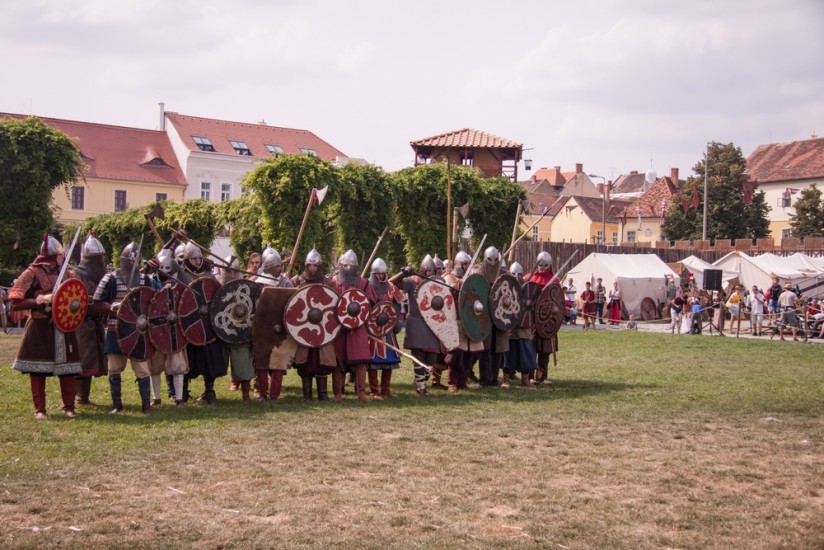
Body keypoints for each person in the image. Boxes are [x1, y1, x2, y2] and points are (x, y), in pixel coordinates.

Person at [9, 234, 82, 419]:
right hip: (40, 326)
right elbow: (15, 302)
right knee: (37, 370)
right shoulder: (32, 273)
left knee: (68, 369)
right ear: (52, 256)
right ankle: (40, 410)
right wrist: (38, 300)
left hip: (64, 326)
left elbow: (77, 296)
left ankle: (69, 407)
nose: (62, 258)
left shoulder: (67, 273)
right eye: (60, 255)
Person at [94, 241, 154, 414]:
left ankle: (146, 405)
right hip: (116, 328)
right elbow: (97, 302)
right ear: (125, 260)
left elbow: (154, 301)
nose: (133, 263)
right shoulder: (111, 278)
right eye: (130, 260)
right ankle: (117, 404)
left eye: (136, 260)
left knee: (142, 368)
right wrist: (111, 307)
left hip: (139, 331)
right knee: (114, 368)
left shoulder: (145, 280)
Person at [177, 242, 228, 404]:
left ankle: (209, 391)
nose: (197, 261)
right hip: (189, 324)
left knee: (210, 359)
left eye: (199, 258)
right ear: (187, 259)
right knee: (188, 360)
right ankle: (183, 391)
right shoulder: (181, 275)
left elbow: (218, 296)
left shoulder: (209, 275)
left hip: (208, 325)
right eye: (194, 259)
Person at [389, 255, 441, 396]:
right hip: (416, 323)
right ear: (422, 270)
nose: (429, 273)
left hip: (432, 324)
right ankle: (421, 387)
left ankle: (421, 381)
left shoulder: (438, 284)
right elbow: (389, 284)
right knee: (419, 357)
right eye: (427, 270)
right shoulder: (413, 282)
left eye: (432, 271)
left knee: (432, 358)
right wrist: (403, 274)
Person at [332, 250, 378, 401]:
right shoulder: (334, 282)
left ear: (356, 267)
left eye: (351, 265)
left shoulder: (363, 283)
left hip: (358, 326)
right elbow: (327, 300)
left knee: (361, 360)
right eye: (345, 265)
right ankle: (337, 393)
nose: (348, 268)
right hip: (338, 326)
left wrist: (359, 301)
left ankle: (361, 393)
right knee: (338, 360)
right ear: (340, 265)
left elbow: (371, 302)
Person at [291, 248, 336, 401]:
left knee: (322, 363)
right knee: (306, 364)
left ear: (320, 266)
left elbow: (334, 304)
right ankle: (307, 394)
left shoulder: (327, 282)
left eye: (315, 265)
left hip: (323, 327)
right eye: (310, 265)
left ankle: (323, 394)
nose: (312, 268)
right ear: (305, 265)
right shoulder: (297, 281)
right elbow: (291, 305)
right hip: (304, 327)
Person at [146, 249, 189, 406]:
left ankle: (179, 398)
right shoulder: (150, 282)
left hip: (174, 326)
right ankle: (156, 397)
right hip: (156, 327)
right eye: (162, 267)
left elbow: (185, 301)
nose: (165, 271)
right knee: (155, 364)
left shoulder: (178, 283)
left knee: (177, 364)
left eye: (168, 268)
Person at [71, 233, 109, 406]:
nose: (102, 261)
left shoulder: (101, 276)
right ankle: (72, 400)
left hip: (95, 322)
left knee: (91, 362)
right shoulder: (75, 275)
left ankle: (83, 398)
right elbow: (74, 299)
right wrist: (95, 302)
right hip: (79, 323)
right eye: (99, 258)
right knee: (80, 361)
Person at [253, 247, 294, 400]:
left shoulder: (286, 283)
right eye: (277, 266)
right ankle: (262, 392)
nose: (280, 268)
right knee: (261, 360)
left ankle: (275, 393)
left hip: (280, 326)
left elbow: (292, 304)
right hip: (262, 326)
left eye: (280, 266)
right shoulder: (258, 283)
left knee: (279, 361)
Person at [442, 251, 483, 392]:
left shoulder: (472, 280)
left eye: (468, 263)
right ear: (458, 264)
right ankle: (452, 382)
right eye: (464, 264)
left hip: (470, 320)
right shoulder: (449, 278)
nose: (467, 266)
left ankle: (463, 382)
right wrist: (453, 289)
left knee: (469, 354)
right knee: (456, 354)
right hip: (456, 321)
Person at [367, 258, 404, 399]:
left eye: (383, 273)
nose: (381, 276)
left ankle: (386, 389)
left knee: (389, 360)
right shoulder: (367, 286)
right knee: (373, 362)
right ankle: (374, 390)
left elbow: (398, 306)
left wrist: (397, 320)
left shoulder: (391, 287)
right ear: (373, 274)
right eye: (379, 274)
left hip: (388, 330)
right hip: (373, 331)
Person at [473, 246, 509, 387]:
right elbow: (474, 290)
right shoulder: (479, 272)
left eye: (495, 259)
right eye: (489, 259)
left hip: (499, 315)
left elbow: (509, 293)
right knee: (486, 348)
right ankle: (485, 378)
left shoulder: (503, 273)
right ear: (485, 259)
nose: (492, 262)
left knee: (497, 348)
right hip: (484, 315)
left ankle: (494, 378)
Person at [525, 250, 557, 385]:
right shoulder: (529, 278)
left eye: (545, 265)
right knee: (531, 348)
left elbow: (557, 300)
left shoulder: (554, 281)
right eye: (540, 265)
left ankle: (542, 376)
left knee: (545, 350)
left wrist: (555, 309)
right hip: (532, 320)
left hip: (547, 321)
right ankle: (530, 376)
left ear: (550, 265)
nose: (543, 268)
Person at [504, 262, 538, 386]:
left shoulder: (527, 288)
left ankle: (525, 379)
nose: (516, 276)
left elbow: (535, 305)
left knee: (526, 354)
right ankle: (506, 379)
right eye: (514, 273)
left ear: (522, 274)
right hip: (511, 328)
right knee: (508, 354)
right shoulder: (506, 287)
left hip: (524, 328)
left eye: (519, 274)